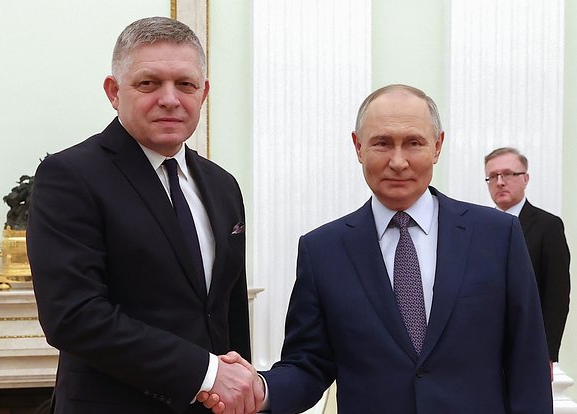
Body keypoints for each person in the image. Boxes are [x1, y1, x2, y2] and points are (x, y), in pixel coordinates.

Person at [200, 84, 553, 414]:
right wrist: (261, 389)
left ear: (437, 146)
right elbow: (309, 364)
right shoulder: (322, 251)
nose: (398, 161)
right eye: (382, 143)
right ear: (358, 147)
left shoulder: (497, 236)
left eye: (413, 143)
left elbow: (528, 361)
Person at [27, 17, 261, 414]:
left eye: (185, 84)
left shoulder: (223, 185)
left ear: (203, 93)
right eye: (149, 83)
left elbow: (228, 311)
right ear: (114, 92)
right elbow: (74, 316)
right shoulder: (69, 176)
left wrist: (239, 391)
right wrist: (207, 374)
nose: (170, 99)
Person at [484, 147, 571, 371]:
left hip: (529, 345)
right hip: (483, 347)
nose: (500, 182)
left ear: (525, 178)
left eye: (508, 174)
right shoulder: (480, 227)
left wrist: (547, 354)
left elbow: (556, 296)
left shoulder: (548, 226)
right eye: (492, 176)